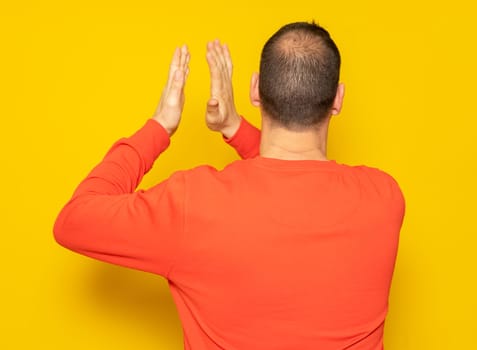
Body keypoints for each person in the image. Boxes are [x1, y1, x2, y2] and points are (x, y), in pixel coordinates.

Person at [54, 21, 405, 350]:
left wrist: (160, 127)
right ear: (338, 99)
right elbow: (294, 185)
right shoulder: (384, 200)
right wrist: (234, 128)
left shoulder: (195, 204)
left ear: (256, 90)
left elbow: (75, 219)